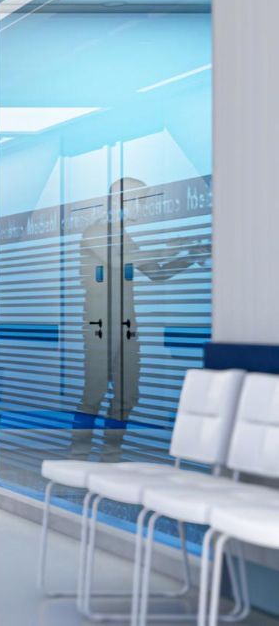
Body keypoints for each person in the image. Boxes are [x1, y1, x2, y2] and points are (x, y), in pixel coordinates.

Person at [70, 177, 208, 460]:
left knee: (127, 394)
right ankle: (78, 455)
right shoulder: (96, 231)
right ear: (121, 201)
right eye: (139, 200)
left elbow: (156, 273)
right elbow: (120, 261)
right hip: (100, 323)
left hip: (126, 323)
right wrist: (167, 248)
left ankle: (111, 455)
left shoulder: (125, 237)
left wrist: (189, 256)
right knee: (95, 391)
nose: (143, 207)